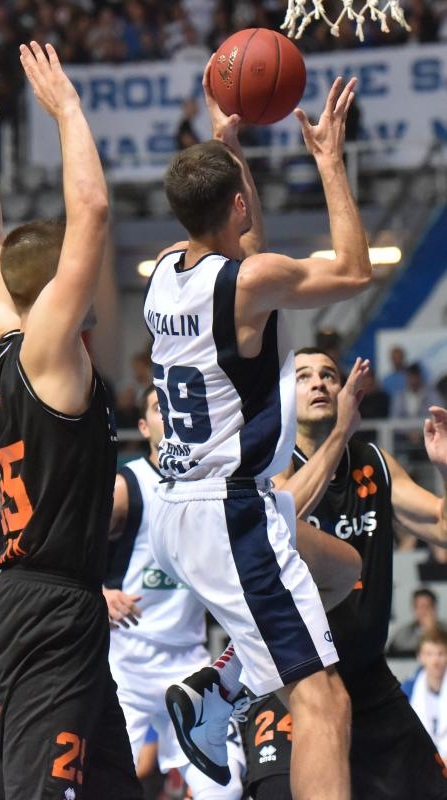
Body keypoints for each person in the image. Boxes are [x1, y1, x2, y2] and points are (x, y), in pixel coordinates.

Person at [144, 54, 372, 799]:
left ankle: (214, 687)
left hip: (183, 507)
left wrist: (228, 153)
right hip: (228, 510)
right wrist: (330, 162)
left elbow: (246, 254)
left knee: (339, 568)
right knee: (323, 703)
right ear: (238, 207)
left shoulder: (164, 272)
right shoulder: (245, 281)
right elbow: (352, 270)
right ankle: (219, 691)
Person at [0, 43, 142, 800]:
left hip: (45, 597)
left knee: (113, 787)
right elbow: (90, 208)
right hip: (52, 605)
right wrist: (68, 112)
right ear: (55, 285)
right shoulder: (52, 351)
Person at [239, 348, 447, 800]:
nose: (318, 383)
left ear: (343, 391)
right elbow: (280, 520)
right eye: (305, 376)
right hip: (294, 683)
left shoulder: (374, 463)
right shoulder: (267, 464)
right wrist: (339, 435)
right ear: (283, 396)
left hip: (369, 677)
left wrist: (445, 468)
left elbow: (442, 527)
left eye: (329, 375)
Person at [104, 385, 244, 799]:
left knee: (226, 787)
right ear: (145, 427)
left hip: (187, 662)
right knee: (98, 786)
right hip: (124, 663)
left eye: (174, 408)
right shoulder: (127, 485)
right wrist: (98, 590)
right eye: (156, 408)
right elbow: (60, 541)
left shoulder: (214, 483)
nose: (169, 415)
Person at [402, 627, 447, 761]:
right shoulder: (407, 690)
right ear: (420, 657)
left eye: (440, 653)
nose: (435, 661)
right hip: (420, 762)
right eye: (429, 654)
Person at [388, 588, 446, 657]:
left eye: (427, 606)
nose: (424, 611)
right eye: (420, 607)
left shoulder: (444, 629)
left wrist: (432, 630)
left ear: (434, 608)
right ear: (414, 609)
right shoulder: (402, 633)